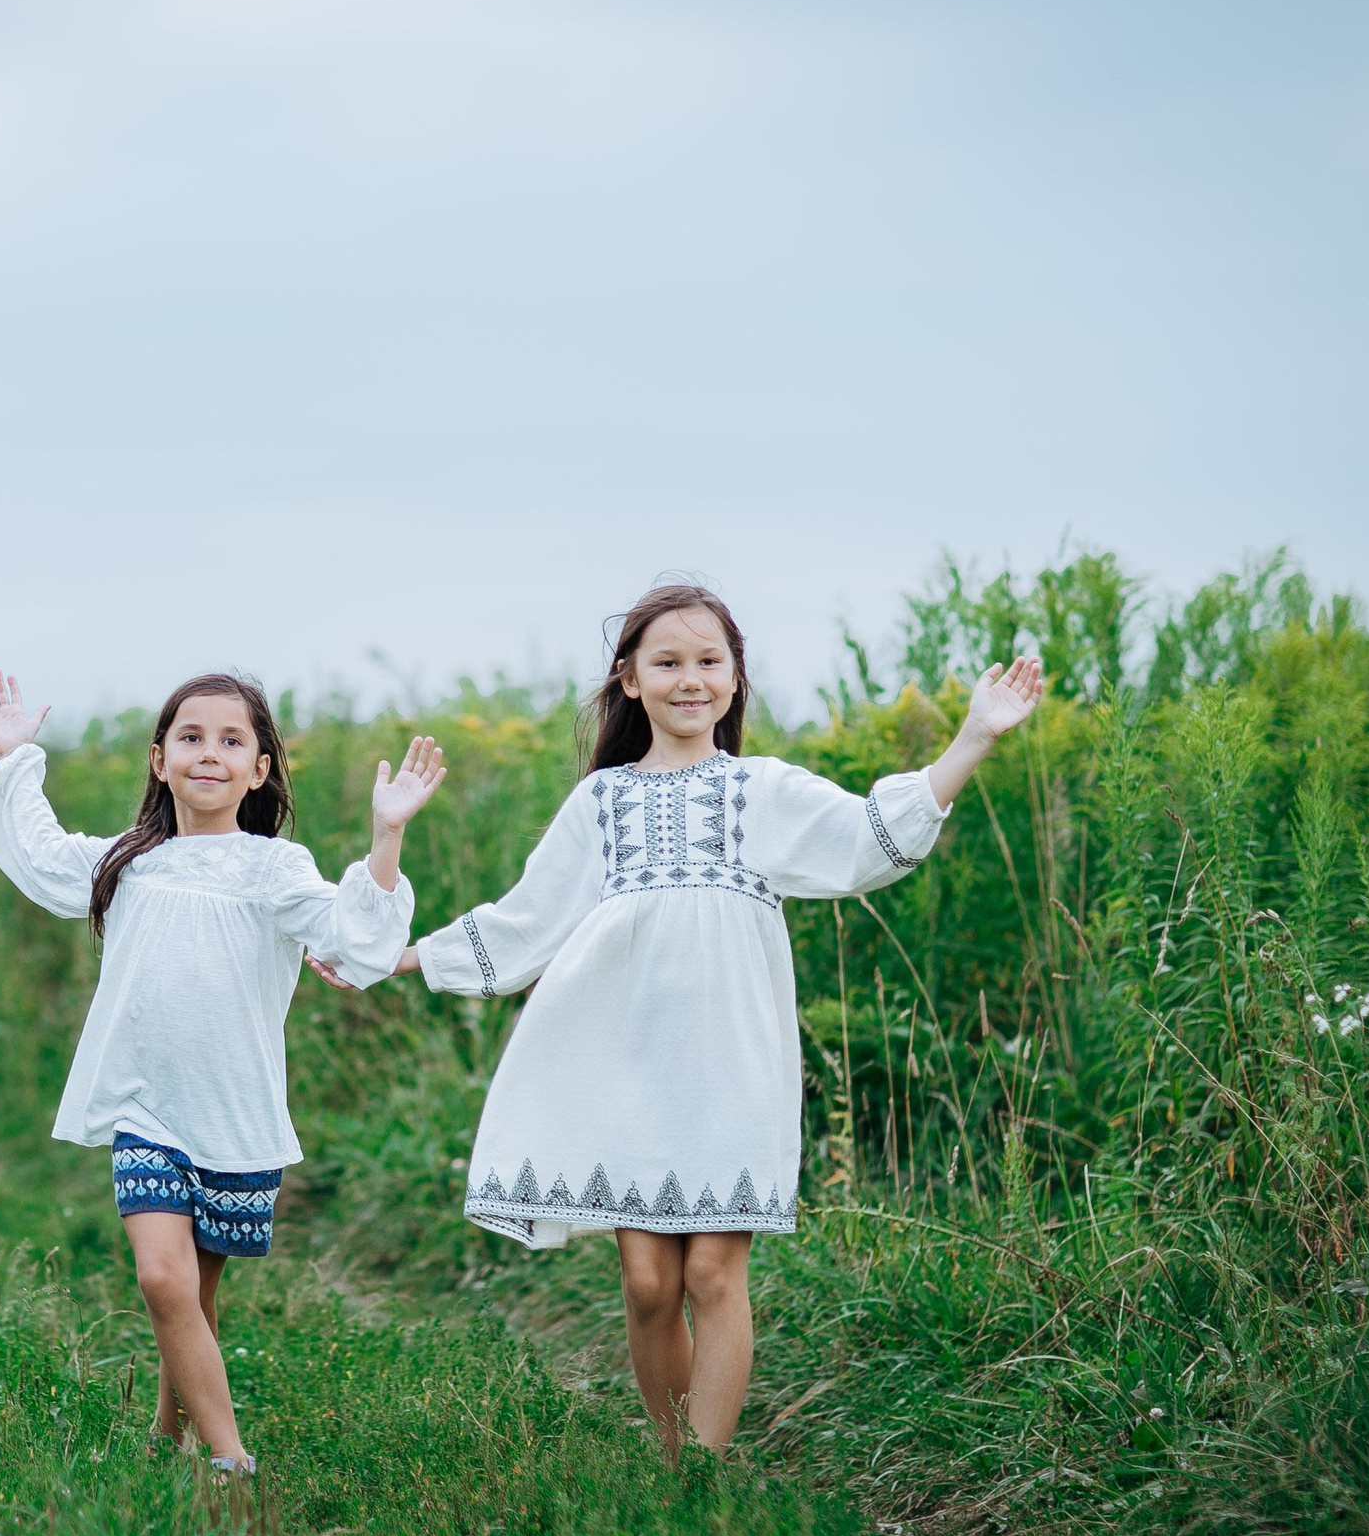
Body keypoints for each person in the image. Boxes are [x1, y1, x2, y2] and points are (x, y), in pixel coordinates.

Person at [326, 584, 1043, 1461]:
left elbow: (869, 839)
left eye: (710, 662)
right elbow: (527, 921)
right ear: (629, 680)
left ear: (736, 680)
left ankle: (700, 1475)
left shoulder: (761, 790)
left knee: (711, 1271)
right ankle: (674, 1459)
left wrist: (973, 736)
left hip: (734, 1060)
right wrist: (387, 958)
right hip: (628, 1064)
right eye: (668, 662)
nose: (690, 680)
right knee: (646, 1282)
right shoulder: (601, 803)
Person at [0, 668, 446, 1477]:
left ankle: (168, 1437)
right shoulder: (126, 862)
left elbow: (352, 938)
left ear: (259, 770)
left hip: (234, 1114)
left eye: (232, 741)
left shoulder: (276, 868)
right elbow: (40, 852)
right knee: (163, 1277)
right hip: (144, 1107)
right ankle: (230, 1461)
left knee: (195, 1295)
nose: (209, 754)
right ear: (160, 759)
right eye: (191, 737)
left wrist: (387, 836)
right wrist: (18, 756)